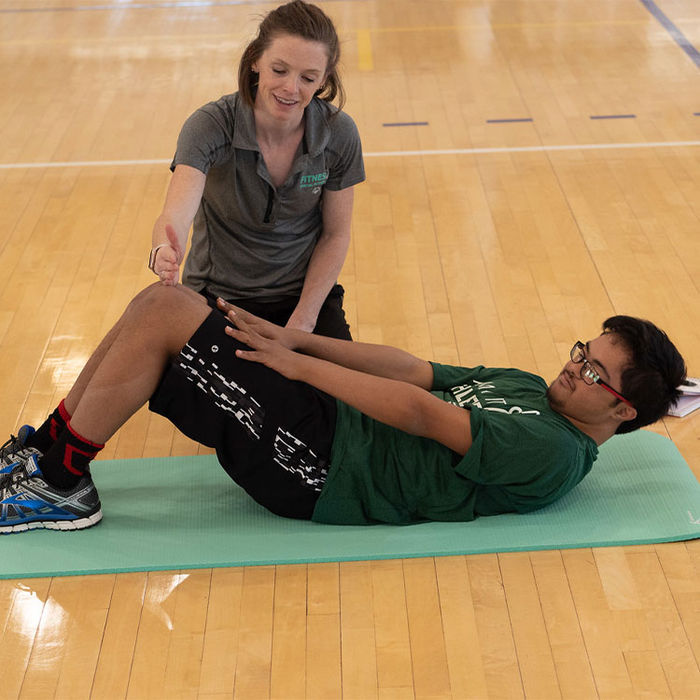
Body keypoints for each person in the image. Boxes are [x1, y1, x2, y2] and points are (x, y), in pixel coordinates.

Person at [0, 283, 686, 533]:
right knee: (164, 305)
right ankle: (48, 460)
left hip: (328, 472)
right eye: (581, 350)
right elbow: (413, 369)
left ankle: (58, 482)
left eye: (593, 371)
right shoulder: (530, 388)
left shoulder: (555, 452)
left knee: (167, 312)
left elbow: (419, 414)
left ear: (622, 412)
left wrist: (299, 368)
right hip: (331, 429)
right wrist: (297, 340)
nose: (573, 366)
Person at [149, 0, 364, 341]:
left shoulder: (339, 134)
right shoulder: (209, 126)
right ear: (255, 60)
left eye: (308, 78)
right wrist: (164, 249)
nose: (291, 89)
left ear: (324, 79)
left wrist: (301, 324)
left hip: (302, 299)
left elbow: (335, 235)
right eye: (279, 70)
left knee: (337, 393)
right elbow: (174, 216)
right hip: (216, 298)